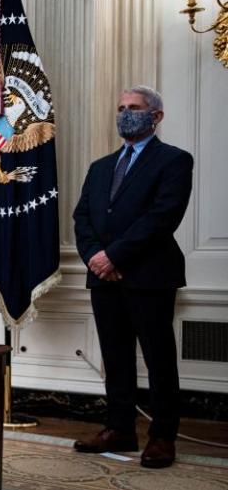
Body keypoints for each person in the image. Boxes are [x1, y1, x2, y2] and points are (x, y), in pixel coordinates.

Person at [72, 85, 193, 469]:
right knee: (115, 356)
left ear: (155, 116)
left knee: (159, 359)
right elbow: (82, 218)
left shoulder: (174, 161)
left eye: (135, 108)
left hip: (150, 276)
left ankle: (162, 436)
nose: (126, 113)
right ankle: (120, 428)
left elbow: (162, 217)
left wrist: (115, 255)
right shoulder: (100, 167)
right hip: (104, 278)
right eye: (121, 107)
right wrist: (95, 258)